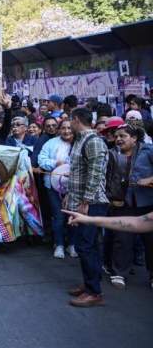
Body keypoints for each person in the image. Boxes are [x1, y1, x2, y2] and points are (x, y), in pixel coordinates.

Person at [64, 107, 109, 307]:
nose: (67, 124)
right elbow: (75, 172)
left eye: (69, 120)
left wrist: (86, 202)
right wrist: (69, 197)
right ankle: (90, 283)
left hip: (93, 203)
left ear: (76, 120)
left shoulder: (94, 141)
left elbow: (95, 173)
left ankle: (94, 292)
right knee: (86, 245)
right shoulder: (79, 139)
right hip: (80, 200)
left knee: (85, 245)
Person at [104, 124, 153, 290]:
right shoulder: (111, 154)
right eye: (116, 136)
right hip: (122, 202)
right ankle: (119, 272)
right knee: (122, 238)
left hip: (147, 203)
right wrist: (111, 198)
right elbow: (107, 178)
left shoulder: (148, 150)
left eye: (122, 136)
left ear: (134, 138)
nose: (118, 139)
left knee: (151, 241)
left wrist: (150, 179)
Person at [38, 120, 76, 259]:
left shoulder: (79, 143)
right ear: (59, 130)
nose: (66, 131)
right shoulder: (51, 143)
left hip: (74, 186)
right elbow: (41, 159)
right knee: (58, 216)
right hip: (53, 186)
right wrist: (55, 163)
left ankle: (72, 244)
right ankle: (59, 244)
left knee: (73, 215)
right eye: (63, 128)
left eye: (69, 128)